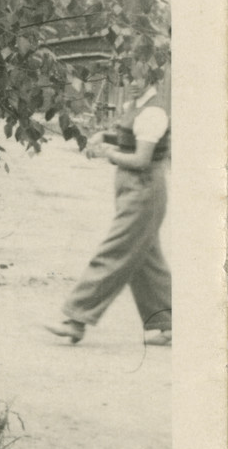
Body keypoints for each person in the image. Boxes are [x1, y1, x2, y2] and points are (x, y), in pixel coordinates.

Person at [47, 75, 172, 347]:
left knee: (114, 252)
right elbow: (130, 137)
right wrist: (104, 134)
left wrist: (107, 154)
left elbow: (140, 159)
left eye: (142, 77)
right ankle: (169, 322)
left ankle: (76, 320)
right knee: (146, 259)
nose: (135, 82)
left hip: (144, 190)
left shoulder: (154, 112)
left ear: (153, 78)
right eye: (130, 77)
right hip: (131, 190)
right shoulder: (136, 106)